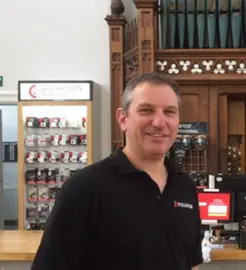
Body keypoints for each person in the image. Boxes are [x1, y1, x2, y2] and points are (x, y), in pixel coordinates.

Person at [31, 72, 203, 270]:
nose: (159, 122)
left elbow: (190, 262)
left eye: (169, 112)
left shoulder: (185, 187)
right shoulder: (84, 189)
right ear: (123, 118)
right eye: (146, 110)